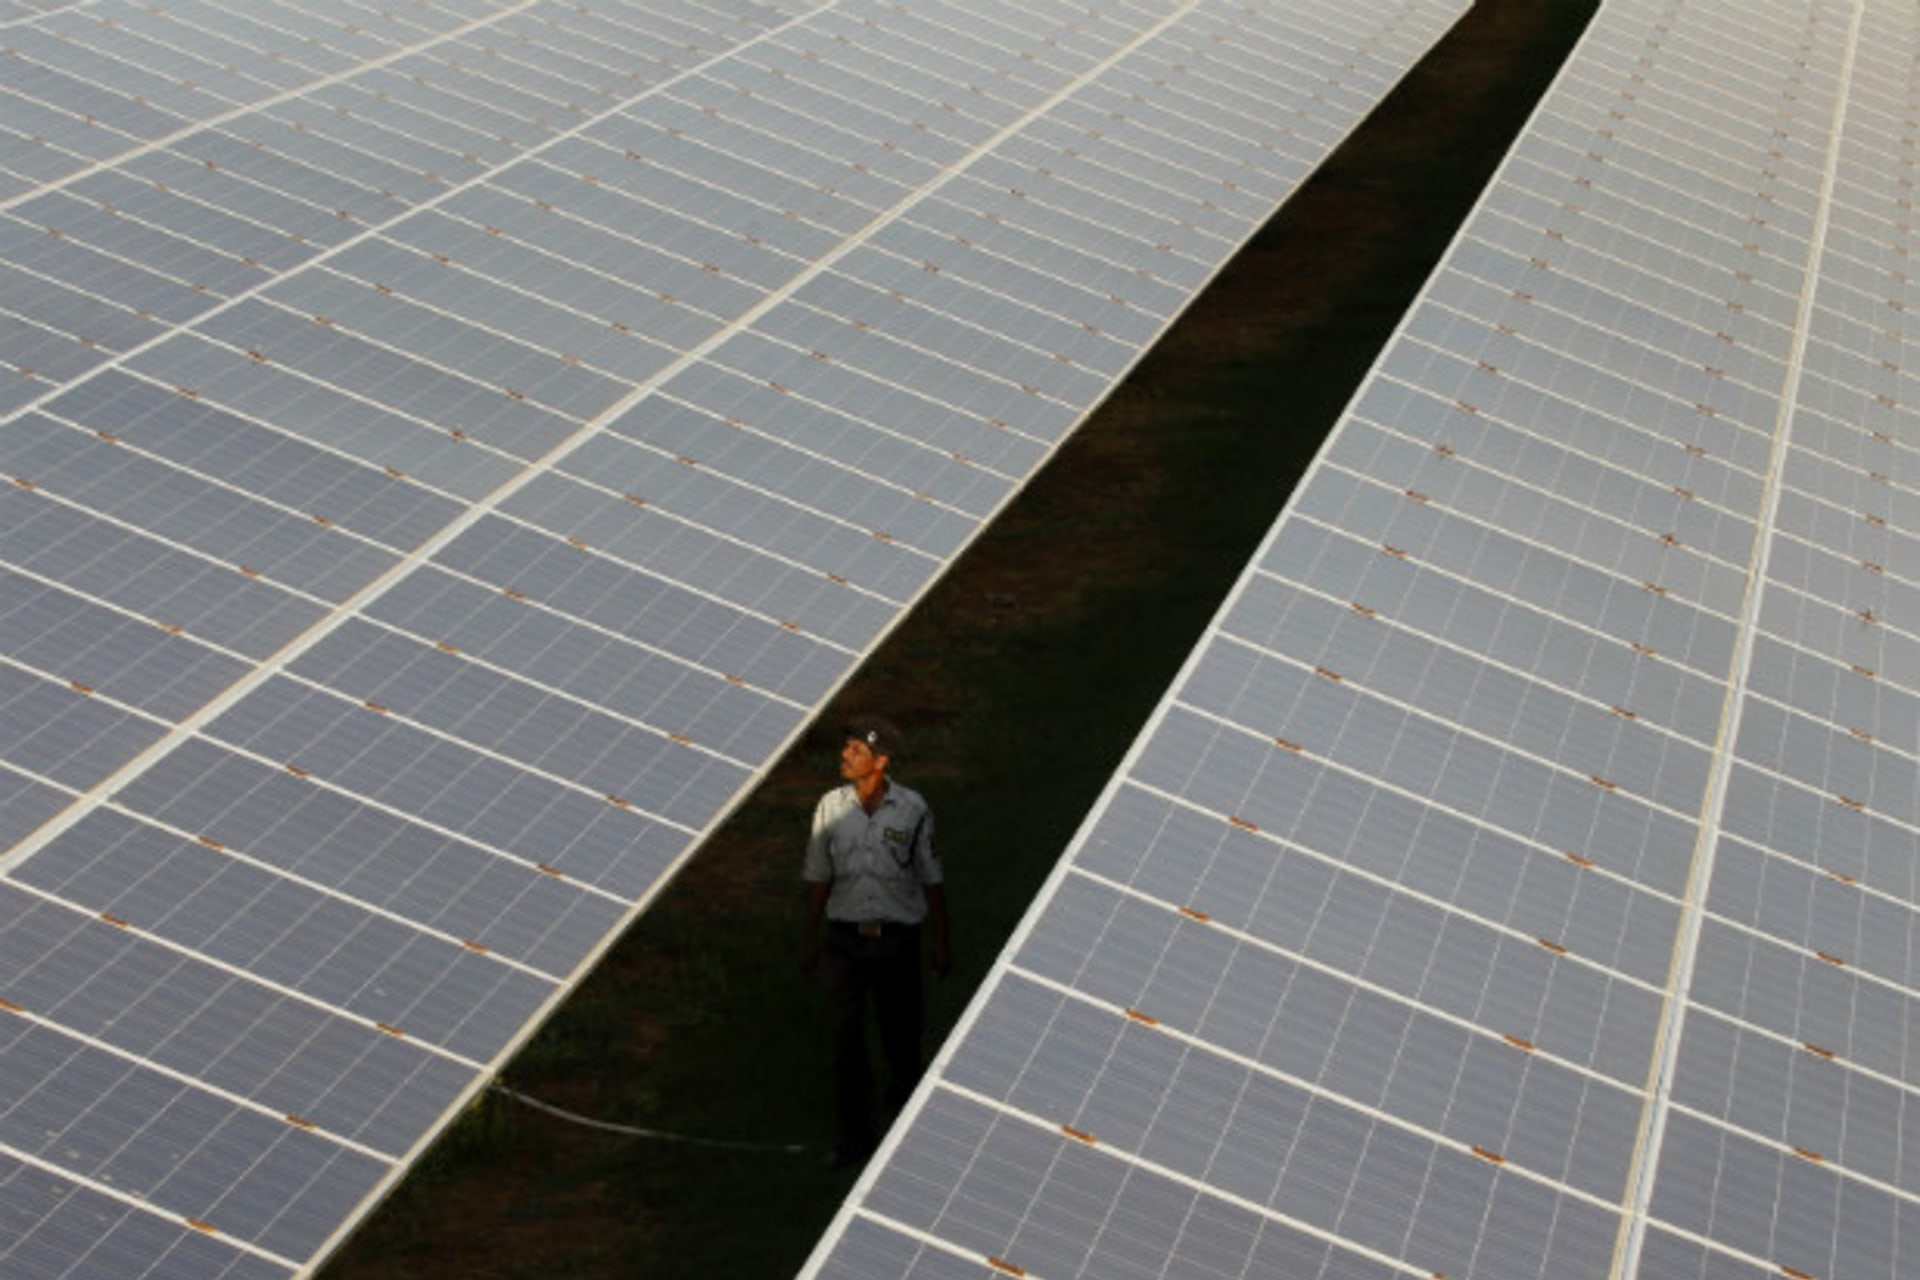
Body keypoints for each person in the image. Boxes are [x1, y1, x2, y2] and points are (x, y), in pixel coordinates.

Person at [801, 715, 949, 1169]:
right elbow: (819, 879)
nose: (845, 757)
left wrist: (941, 943)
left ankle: (906, 1142)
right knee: (846, 1044)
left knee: (901, 1041)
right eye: (845, 749)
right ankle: (853, 1142)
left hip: (897, 941)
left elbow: (931, 879)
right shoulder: (829, 807)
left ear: (881, 761)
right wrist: (809, 939)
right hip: (844, 942)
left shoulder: (913, 810)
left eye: (856, 751)